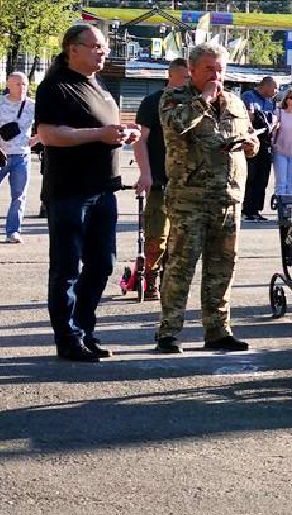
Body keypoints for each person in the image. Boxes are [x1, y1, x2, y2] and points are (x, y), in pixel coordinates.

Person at [36, 25, 136, 361]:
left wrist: (123, 133)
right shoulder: (56, 86)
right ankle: (68, 339)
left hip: (103, 189)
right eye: (95, 46)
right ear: (72, 49)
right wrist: (100, 134)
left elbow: (103, 129)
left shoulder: (97, 84)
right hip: (70, 192)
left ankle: (85, 329)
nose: (102, 52)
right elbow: (49, 135)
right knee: (66, 269)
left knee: (102, 264)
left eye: (104, 47)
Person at [154, 42, 257, 354]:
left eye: (221, 68)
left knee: (222, 266)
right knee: (180, 266)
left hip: (228, 198)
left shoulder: (235, 102)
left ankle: (218, 330)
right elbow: (176, 126)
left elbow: (249, 135)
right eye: (210, 69)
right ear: (193, 69)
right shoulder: (175, 98)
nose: (217, 74)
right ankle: (169, 332)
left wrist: (252, 144)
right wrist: (205, 100)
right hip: (190, 197)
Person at [129, 59, 189, 300]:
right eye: (185, 76)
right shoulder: (153, 102)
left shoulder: (194, 102)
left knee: (181, 238)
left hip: (187, 182)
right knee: (156, 236)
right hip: (159, 181)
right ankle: (150, 277)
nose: (189, 81)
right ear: (172, 76)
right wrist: (145, 173)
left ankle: (171, 280)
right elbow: (140, 139)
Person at [1, 72, 35, 245]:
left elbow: (45, 125)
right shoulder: (0, 103)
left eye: (24, 84)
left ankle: (13, 231)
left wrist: (36, 140)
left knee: (19, 196)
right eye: (17, 84)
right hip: (1, 154)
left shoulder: (32, 105)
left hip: (22, 156)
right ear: (8, 85)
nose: (21, 88)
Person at [240, 75, 279, 221]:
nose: (277, 90)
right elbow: (249, 116)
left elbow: (274, 120)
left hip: (266, 142)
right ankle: (246, 209)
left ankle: (256, 209)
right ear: (265, 86)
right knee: (251, 176)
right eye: (275, 87)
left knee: (262, 178)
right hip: (252, 141)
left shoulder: (271, 102)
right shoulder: (249, 96)